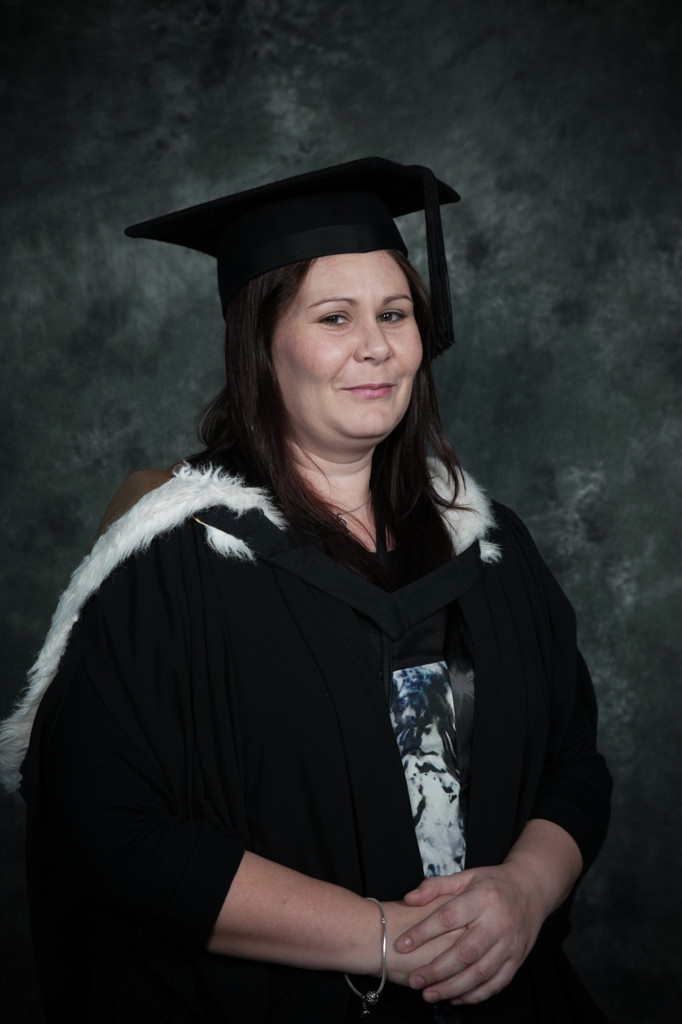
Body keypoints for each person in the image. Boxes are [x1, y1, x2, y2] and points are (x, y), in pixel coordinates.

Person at [0, 157, 611, 1023]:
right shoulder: (173, 565)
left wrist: (525, 892)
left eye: (394, 313)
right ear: (261, 344)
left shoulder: (487, 543)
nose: (377, 346)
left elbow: (573, 761)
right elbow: (107, 828)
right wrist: (388, 939)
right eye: (335, 317)